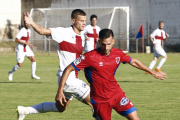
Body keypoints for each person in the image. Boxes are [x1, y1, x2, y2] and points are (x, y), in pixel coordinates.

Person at [56, 29, 167, 120]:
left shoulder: (118, 53)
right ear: (99, 42)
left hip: (117, 94)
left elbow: (134, 61)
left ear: (113, 41)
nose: (106, 47)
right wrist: (60, 90)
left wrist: (152, 72)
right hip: (100, 100)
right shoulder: (89, 56)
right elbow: (68, 69)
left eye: (109, 44)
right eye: (103, 44)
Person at [17, 9, 93, 120]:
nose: (83, 23)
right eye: (81, 20)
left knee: (60, 108)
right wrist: (32, 23)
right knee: (97, 101)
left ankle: (25, 110)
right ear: (73, 20)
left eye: (85, 20)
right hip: (68, 80)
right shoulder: (63, 32)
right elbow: (43, 31)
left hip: (70, 79)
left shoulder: (81, 36)